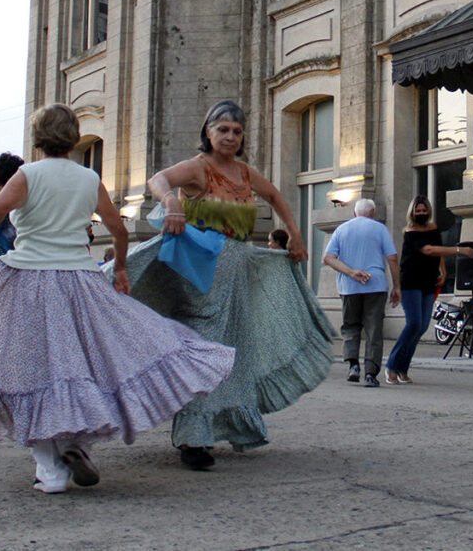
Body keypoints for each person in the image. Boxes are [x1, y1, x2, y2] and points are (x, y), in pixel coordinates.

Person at [0, 103, 236, 494]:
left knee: (33, 372)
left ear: (39, 138)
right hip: (81, 283)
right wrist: (121, 269)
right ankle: (74, 443)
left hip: (29, 280)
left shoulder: (28, 174)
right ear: (74, 138)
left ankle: (50, 471)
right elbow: (117, 231)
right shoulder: (89, 179)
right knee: (81, 364)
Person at [126, 99, 335, 470]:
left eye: (237, 131)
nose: (230, 136)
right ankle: (192, 436)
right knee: (206, 345)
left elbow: (274, 196)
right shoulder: (198, 168)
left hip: (237, 266)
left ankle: (212, 428)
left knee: (230, 348)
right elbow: (157, 179)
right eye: (222, 129)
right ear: (207, 132)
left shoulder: (244, 172)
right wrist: (171, 200)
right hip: (202, 269)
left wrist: (296, 233)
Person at [384, 196, 473, 385]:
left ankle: (402, 368)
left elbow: (437, 251)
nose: (422, 214)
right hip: (410, 281)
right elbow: (429, 250)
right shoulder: (410, 232)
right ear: (412, 212)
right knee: (414, 323)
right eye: (418, 211)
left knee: (423, 325)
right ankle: (392, 365)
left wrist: (443, 269)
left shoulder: (433, 228)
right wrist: (459, 251)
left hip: (429, 281)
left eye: (424, 211)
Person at [323, 198, 401, 388]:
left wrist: (351, 272)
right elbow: (392, 258)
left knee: (350, 326)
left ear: (354, 213)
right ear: (372, 212)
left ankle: (353, 365)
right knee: (374, 329)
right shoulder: (380, 229)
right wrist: (397, 286)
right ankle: (371, 374)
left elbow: (328, 258)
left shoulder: (341, 230)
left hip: (349, 287)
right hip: (375, 285)